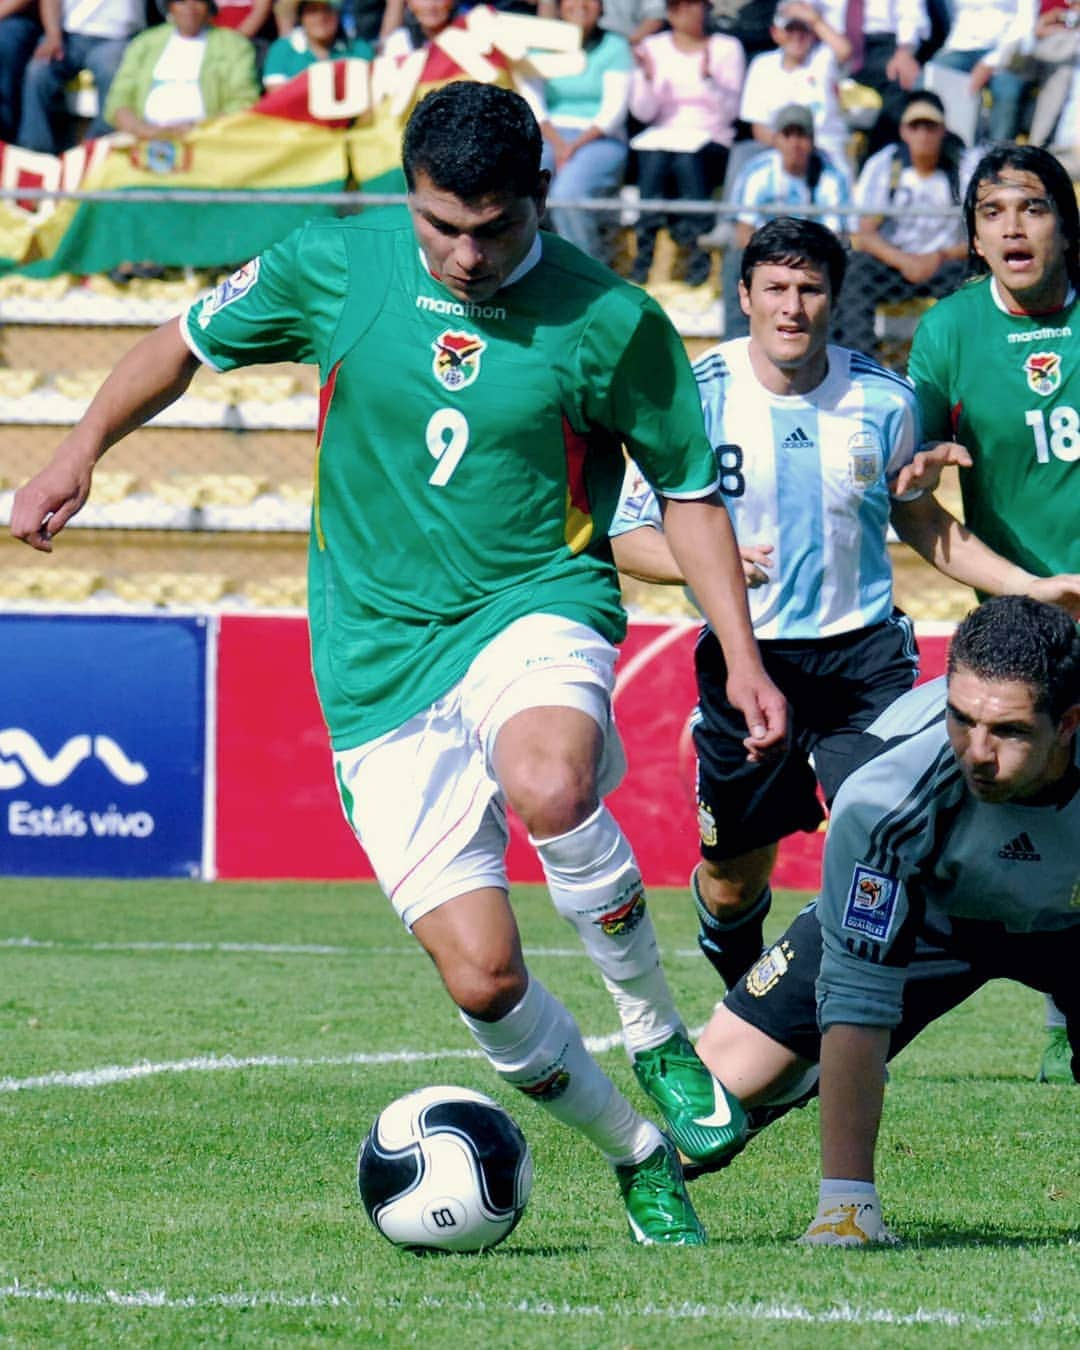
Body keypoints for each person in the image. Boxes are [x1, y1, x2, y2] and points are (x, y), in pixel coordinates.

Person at [10, 80, 788, 1247]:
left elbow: (686, 494)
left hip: (535, 600)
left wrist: (741, 656)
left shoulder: (613, 320)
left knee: (553, 780)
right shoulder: (336, 264)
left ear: (540, 198)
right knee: (482, 980)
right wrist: (79, 448)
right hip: (376, 663)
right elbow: (180, 343)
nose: (468, 253)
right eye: (441, 225)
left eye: (496, 226)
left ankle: (658, 1031)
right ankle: (636, 1152)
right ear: (405, 199)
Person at [609, 215, 1080, 999]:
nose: (792, 307)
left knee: (889, 832)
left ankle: (872, 1004)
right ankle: (746, 997)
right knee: (731, 878)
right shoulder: (696, 399)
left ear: (833, 298)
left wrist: (1028, 586)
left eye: (810, 289)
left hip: (866, 656)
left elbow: (924, 524)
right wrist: (708, 562)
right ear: (745, 296)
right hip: (748, 656)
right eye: (776, 289)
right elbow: (629, 535)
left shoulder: (883, 399)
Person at [686, 596, 1078, 1243]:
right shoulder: (883, 794)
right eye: (961, 720)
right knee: (694, 1121)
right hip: (931, 913)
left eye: (1008, 731)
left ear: (1067, 723)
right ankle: (802, 1082)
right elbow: (855, 994)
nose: (976, 752)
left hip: (1070, 924)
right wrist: (847, 1210)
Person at [907, 142, 1080, 1085]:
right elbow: (913, 498)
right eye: (991, 211)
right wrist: (1027, 588)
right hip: (1022, 634)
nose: (1012, 225)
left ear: (1065, 221)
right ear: (973, 235)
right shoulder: (949, 332)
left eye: (1033, 206)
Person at [834, 89, 973, 358]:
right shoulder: (885, 166)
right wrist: (903, 260)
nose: (923, 134)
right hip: (892, 266)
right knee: (854, 268)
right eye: (915, 126)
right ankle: (860, 360)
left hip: (943, 265)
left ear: (943, 130)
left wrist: (939, 256)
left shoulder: (962, 168)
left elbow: (981, 235)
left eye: (930, 126)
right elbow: (863, 233)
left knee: (976, 275)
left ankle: (964, 360)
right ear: (904, 131)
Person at [627, 0, 744, 287]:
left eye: (696, 6)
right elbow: (643, 112)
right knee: (655, 160)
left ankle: (697, 260)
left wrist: (709, 80)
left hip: (711, 136)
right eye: (680, 7)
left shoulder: (726, 48)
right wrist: (647, 79)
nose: (690, 13)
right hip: (662, 135)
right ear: (670, 13)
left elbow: (730, 113)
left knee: (686, 161)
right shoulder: (653, 48)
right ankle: (644, 258)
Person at [722, 104, 851, 339]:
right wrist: (777, 260)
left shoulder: (831, 176)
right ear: (776, 139)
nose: (795, 143)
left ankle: (833, 346)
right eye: (787, 135)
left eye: (801, 135)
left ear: (812, 141)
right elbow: (743, 232)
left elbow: (836, 238)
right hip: (765, 257)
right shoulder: (756, 172)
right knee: (734, 262)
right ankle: (736, 342)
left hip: (813, 261)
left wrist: (798, 260)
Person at [525, 0, 633, 261]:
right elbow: (533, 100)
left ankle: (583, 267)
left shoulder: (615, 47)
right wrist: (559, 144)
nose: (581, 5)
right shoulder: (542, 45)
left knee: (568, 194)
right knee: (521, 187)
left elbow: (613, 111)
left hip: (599, 138)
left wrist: (573, 147)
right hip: (549, 134)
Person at [104, 0, 259, 140]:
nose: (189, 8)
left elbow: (244, 100)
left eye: (198, 2)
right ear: (170, 7)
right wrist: (138, 129)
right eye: (181, 2)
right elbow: (120, 96)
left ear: (208, 7)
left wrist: (199, 128)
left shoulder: (234, 45)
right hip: (143, 138)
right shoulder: (145, 42)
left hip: (207, 139)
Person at [738, 0, 852, 172]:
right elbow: (759, 127)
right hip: (778, 151)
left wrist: (816, 20)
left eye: (803, 30)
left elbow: (845, 51)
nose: (797, 37)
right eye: (790, 29)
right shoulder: (762, 66)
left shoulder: (824, 58)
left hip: (827, 148)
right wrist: (791, 147)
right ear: (776, 33)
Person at [17, 0, 144, 151]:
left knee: (112, 74)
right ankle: (34, 154)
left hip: (118, 37)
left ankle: (94, 150)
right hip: (67, 35)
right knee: (38, 72)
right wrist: (53, 35)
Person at [262, 0, 372, 87]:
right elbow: (276, 95)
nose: (321, 18)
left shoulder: (359, 48)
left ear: (338, 15)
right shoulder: (281, 50)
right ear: (301, 18)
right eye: (312, 11)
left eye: (327, 10)